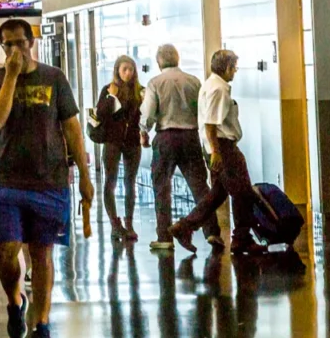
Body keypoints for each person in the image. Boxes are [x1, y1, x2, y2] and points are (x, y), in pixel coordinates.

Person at [0, 18, 92, 338]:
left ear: (32, 42)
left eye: (21, 42)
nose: (15, 48)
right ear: (2, 46)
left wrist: (85, 177)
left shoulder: (54, 78)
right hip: (7, 180)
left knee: (42, 255)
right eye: (8, 43)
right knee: (5, 253)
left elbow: (72, 128)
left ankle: (42, 324)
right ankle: (15, 301)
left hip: (49, 180)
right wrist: (12, 76)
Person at [168, 50, 266, 255]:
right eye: (234, 67)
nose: (235, 71)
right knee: (243, 193)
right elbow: (211, 124)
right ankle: (241, 239)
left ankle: (185, 226)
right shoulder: (218, 89)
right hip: (223, 147)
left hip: (217, 146)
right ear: (227, 67)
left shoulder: (211, 85)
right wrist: (216, 151)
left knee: (218, 194)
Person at [140, 44, 220, 251]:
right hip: (190, 137)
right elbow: (203, 111)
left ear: (159, 62)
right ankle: (212, 232)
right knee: (200, 187)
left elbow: (148, 114)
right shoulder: (194, 82)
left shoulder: (155, 83)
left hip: (166, 138)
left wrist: (143, 132)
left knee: (162, 188)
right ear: (178, 58)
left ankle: (164, 237)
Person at [94, 55, 144, 242]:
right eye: (124, 69)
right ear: (117, 70)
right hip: (112, 141)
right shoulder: (108, 90)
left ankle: (129, 223)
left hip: (132, 141)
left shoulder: (139, 91)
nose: (128, 73)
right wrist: (112, 96)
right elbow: (100, 114)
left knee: (130, 182)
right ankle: (115, 224)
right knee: (110, 180)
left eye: (131, 70)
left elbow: (144, 115)